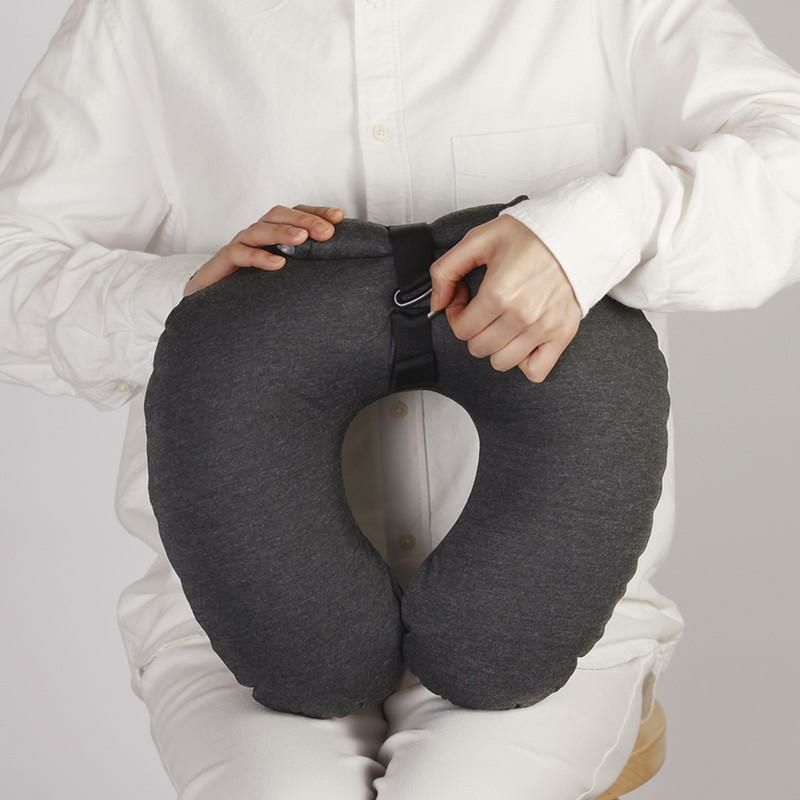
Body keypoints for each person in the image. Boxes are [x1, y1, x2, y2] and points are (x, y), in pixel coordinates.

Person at [1, 0, 799, 797]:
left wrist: (596, 232)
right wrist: (195, 308)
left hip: (560, 604)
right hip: (231, 607)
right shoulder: (143, 17)